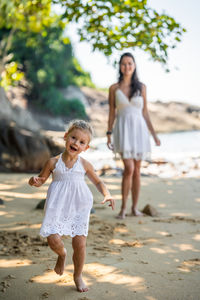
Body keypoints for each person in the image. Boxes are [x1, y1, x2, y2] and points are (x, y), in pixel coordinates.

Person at [28, 120, 115, 293]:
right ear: (66, 137)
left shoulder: (84, 165)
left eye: (82, 142)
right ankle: (62, 255)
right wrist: (34, 181)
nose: (76, 143)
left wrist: (107, 194)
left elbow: (98, 181)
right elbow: (41, 180)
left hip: (79, 206)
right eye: (74, 138)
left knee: (80, 244)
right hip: (56, 206)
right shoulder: (53, 163)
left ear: (86, 147)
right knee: (52, 239)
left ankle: (78, 276)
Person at [107, 52, 160, 219]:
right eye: (124, 64)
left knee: (137, 170)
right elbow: (111, 113)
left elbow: (145, 113)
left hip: (139, 131)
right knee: (128, 168)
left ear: (134, 65)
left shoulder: (142, 87)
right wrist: (108, 133)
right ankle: (123, 209)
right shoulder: (114, 88)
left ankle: (134, 209)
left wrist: (154, 135)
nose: (127, 66)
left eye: (130, 63)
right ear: (120, 67)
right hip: (122, 130)